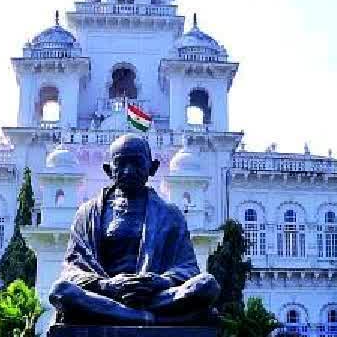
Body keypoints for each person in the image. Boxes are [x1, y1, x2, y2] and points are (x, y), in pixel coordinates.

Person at [49, 135, 219, 325]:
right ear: (108, 170)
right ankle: (145, 318)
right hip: (106, 295)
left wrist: (160, 282)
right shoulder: (87, 214)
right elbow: (72, 269)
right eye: (121, 164)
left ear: (152, 168)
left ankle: (124, 315)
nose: (128, 170)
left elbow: (188, 268)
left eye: (137, 163)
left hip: (155, 295)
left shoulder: (171, 215)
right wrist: (107, 285)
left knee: (206, 285)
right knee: (61, 291)